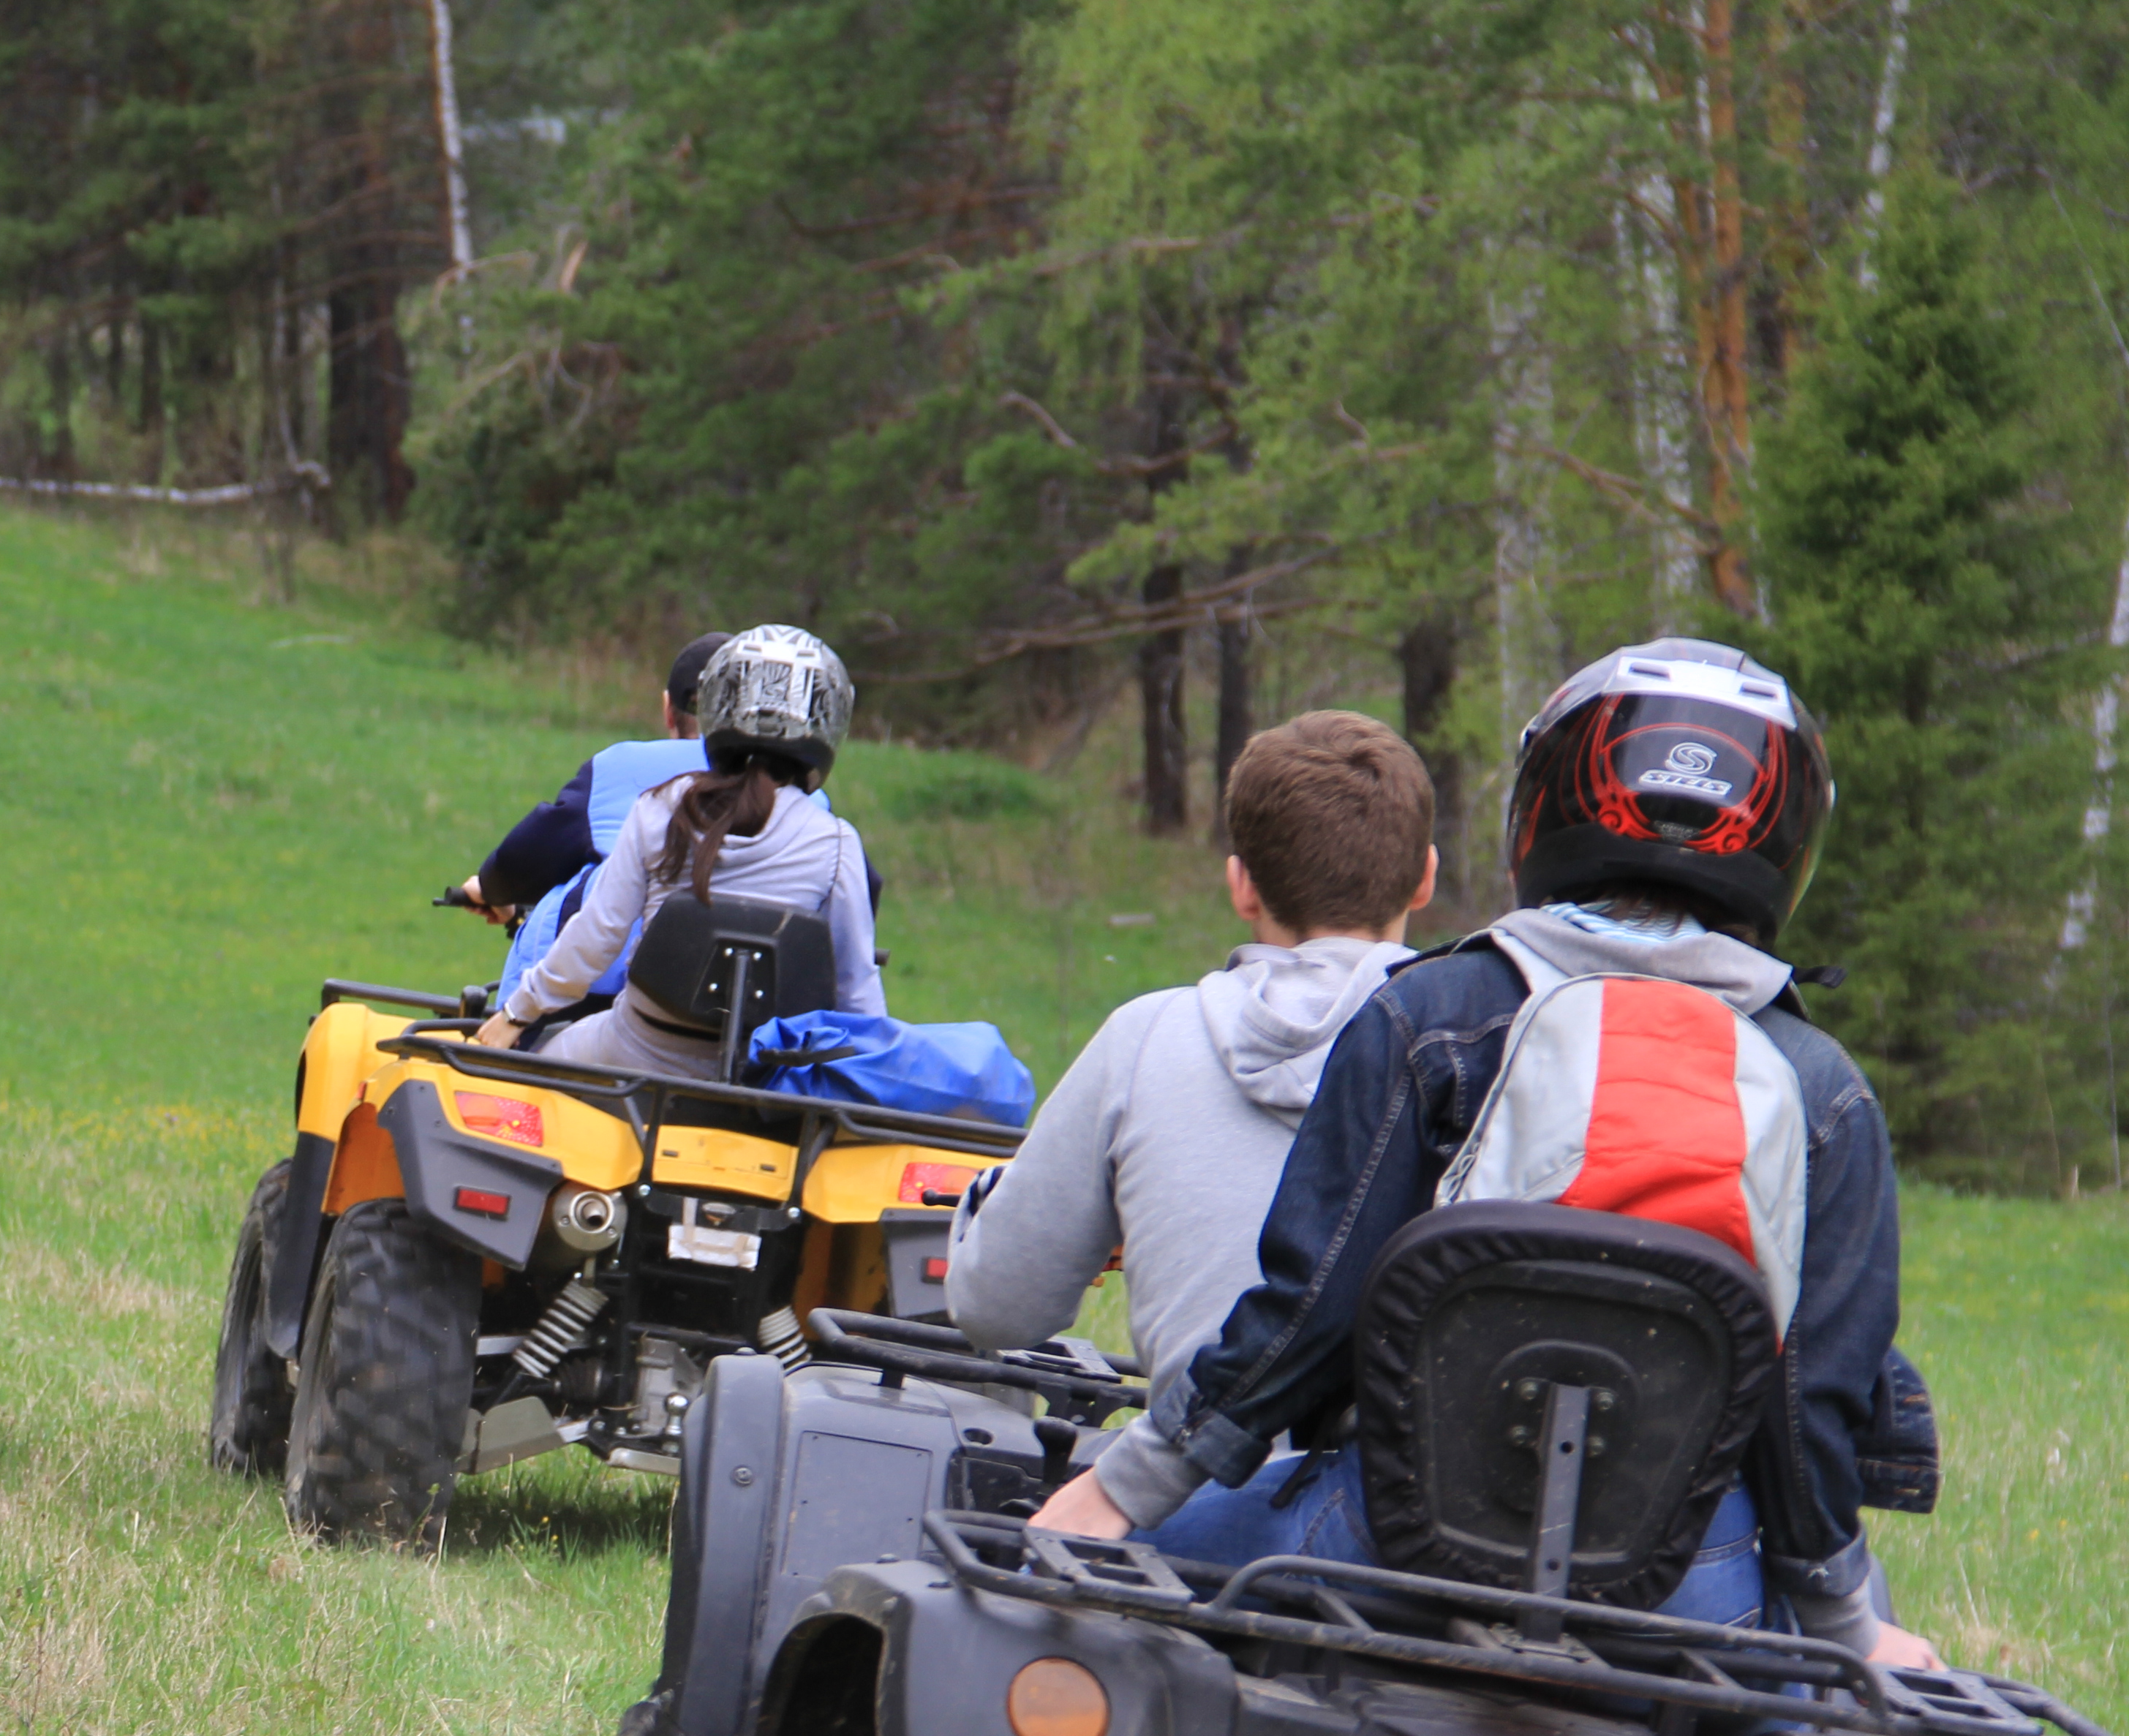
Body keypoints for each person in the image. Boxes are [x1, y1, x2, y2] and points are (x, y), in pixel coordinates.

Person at [1031, 638, 1937, 1672]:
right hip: (1692, 1598)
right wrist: (1845, 1630)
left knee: (1084, 1591)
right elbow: (1809, 1405)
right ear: (1787, 838)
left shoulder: (1430, 1016)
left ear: (1546, 803)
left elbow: (1307, 1317)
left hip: (1392, 1557)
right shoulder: (1825, 1091)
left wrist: (1115, 1495)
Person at [944, 712, 1438, 1378]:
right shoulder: (1498, 1049)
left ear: (1241, 885)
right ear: (1426, 877)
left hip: (1190, 1476)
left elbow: (997, 1307)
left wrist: (992, 1198)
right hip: (1414, 1477)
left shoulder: (1143, 1040)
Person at [472, 624, 878, 1080]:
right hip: (761, 1077)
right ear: (828, 724)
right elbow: (855, 992)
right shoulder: (837, 843)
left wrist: (516, 1015)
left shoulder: (661, 808)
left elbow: (595, 938)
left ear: (719, 705)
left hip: (634, 1050)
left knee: (537, 1065)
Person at [449, 633, 729, 932]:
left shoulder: (619, 767)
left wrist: (491, 889)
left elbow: (524, 859)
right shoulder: (778, 788)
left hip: (610, 967)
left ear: (667, 710)